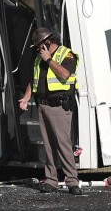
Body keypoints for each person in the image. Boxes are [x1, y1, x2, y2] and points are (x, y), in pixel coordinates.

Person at [18, 26, 82, 195]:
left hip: (59, 106)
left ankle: (72, 182)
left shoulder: (66, 54)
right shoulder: (39, 59)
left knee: (63, 145)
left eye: (39, 46)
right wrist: (26, 98)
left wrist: (49, 60)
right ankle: (51, 180)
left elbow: (65, 75)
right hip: (43, 106)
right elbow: (34, 81)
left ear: (46, 43)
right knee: (49, 146)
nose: (38, 49)